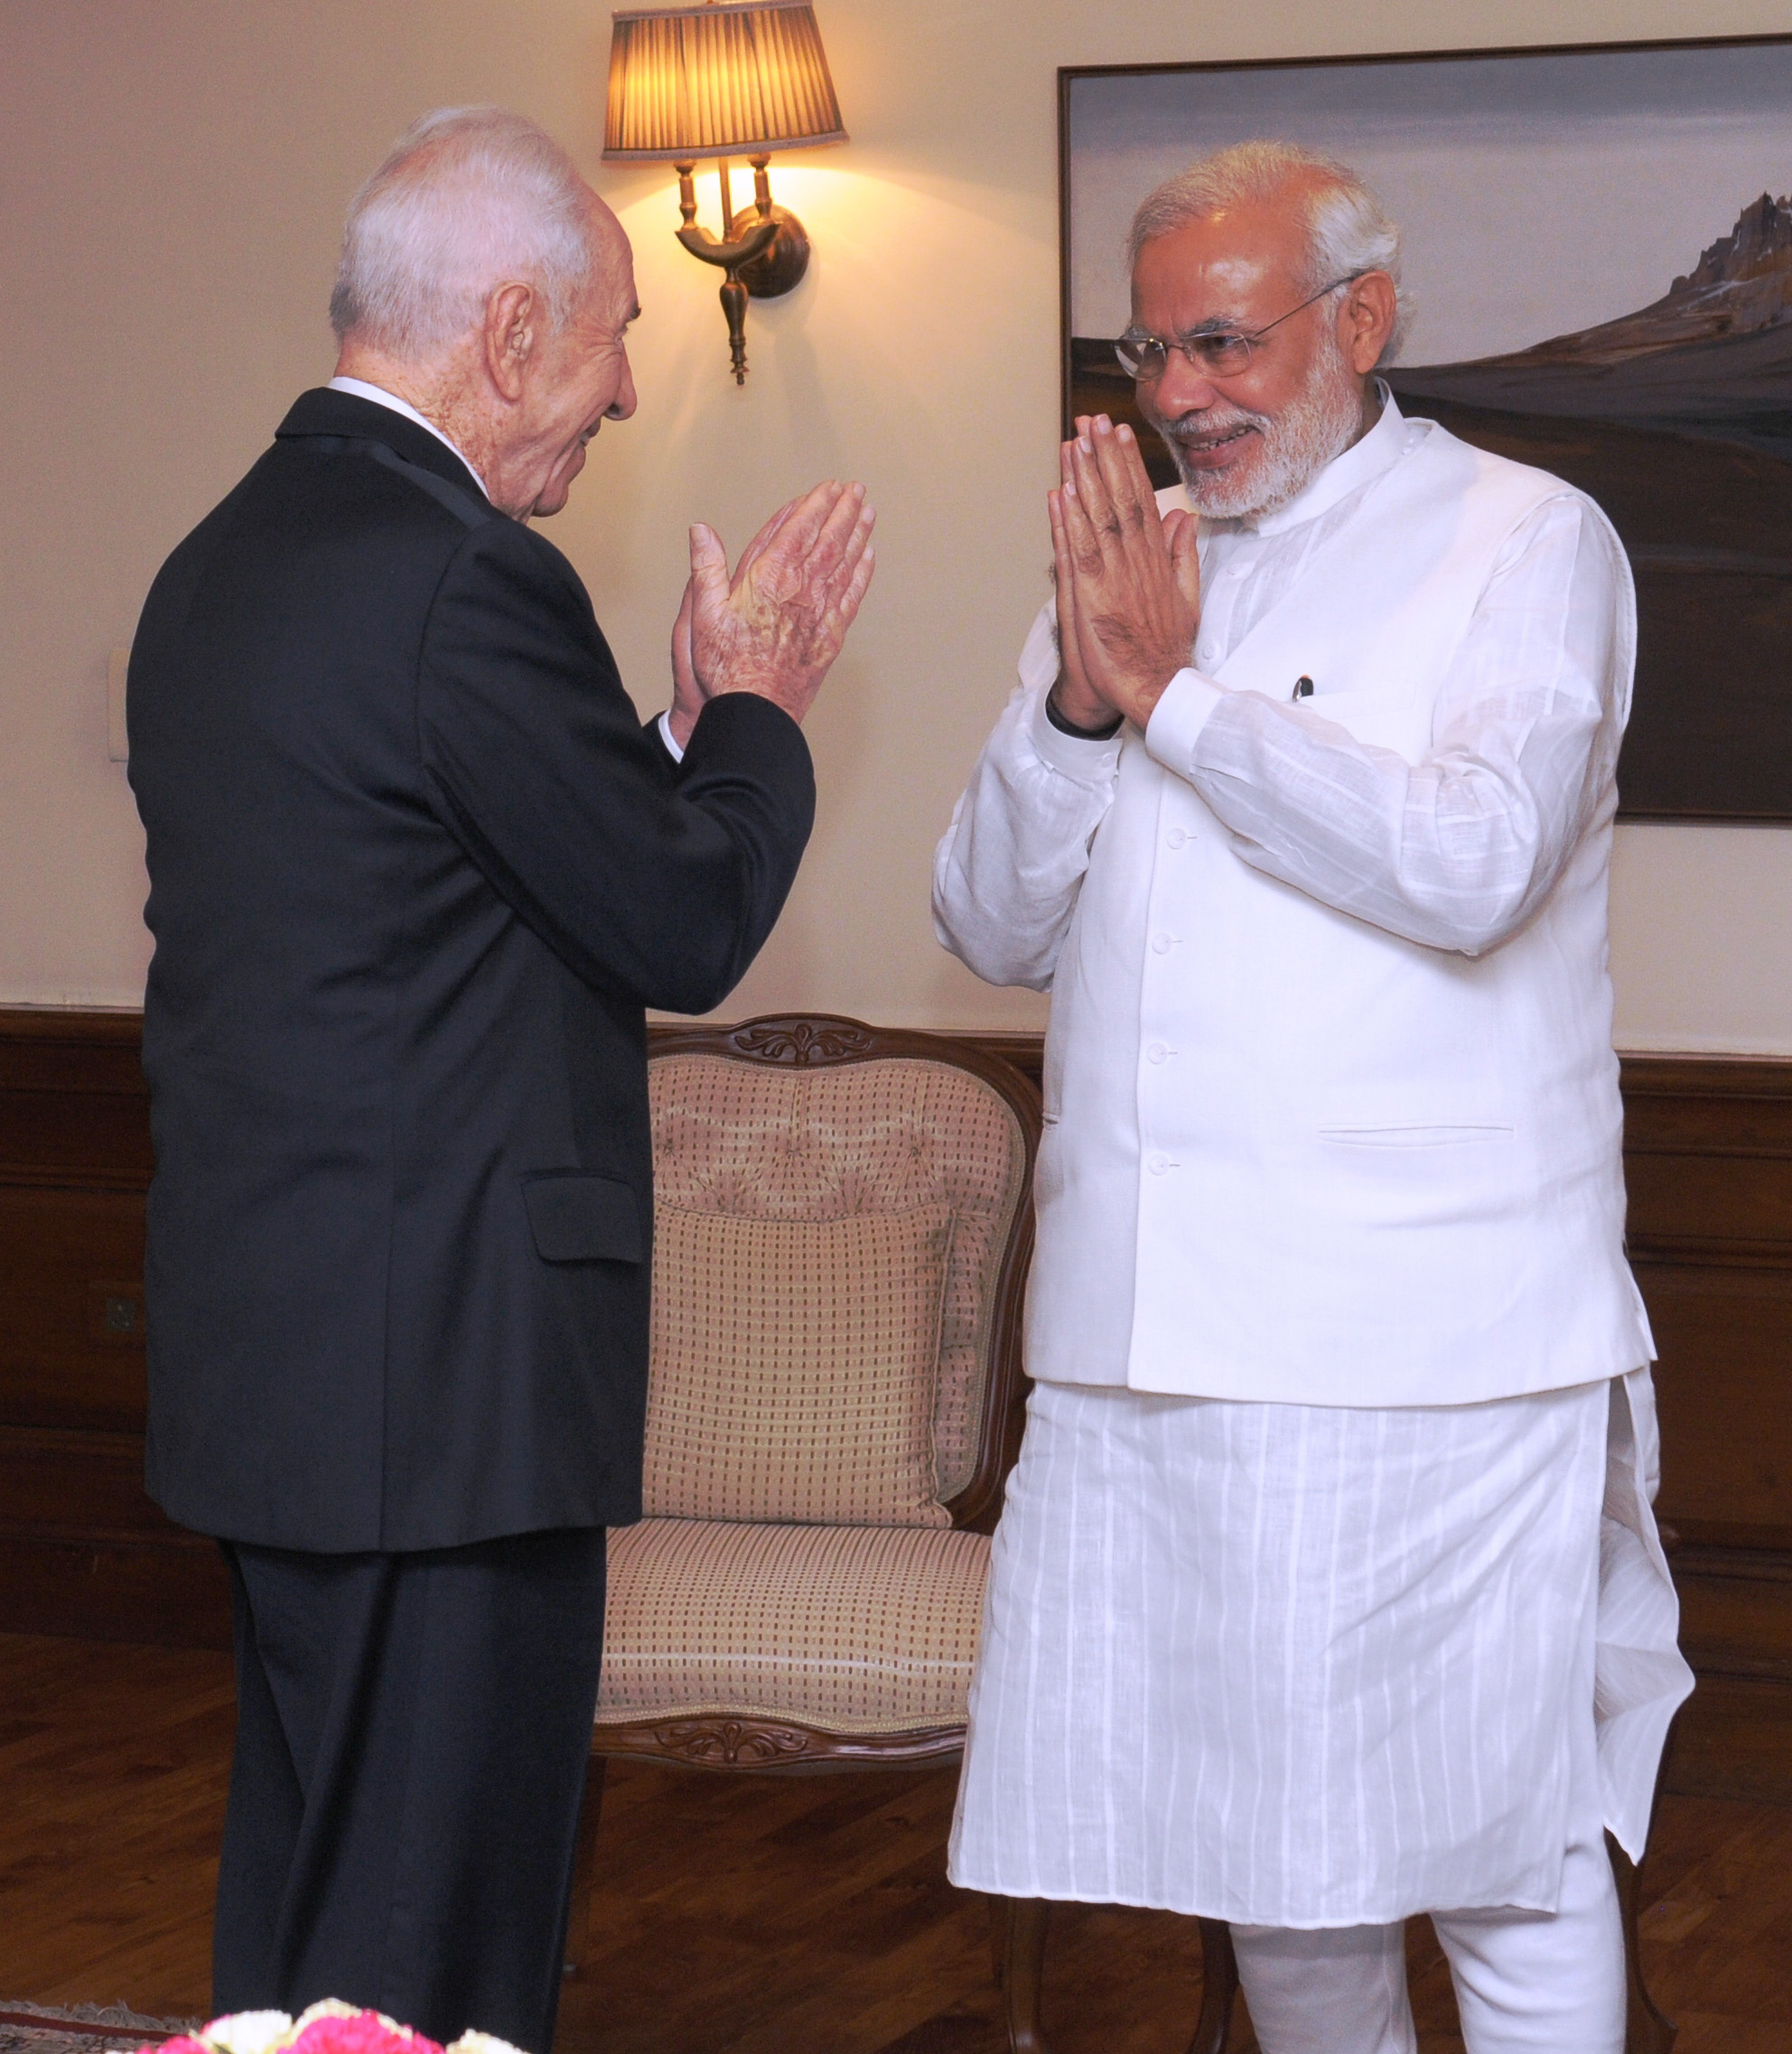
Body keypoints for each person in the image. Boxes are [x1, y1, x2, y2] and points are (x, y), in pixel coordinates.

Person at [127, 106, 873, 2054]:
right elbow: (681, 922)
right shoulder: (464, 574)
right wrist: (760, 717)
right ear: (518, 326)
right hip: (440, 1384)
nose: (628, 390)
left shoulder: (229, 560)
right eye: (619, 333)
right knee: (428, 1953)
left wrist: (669, 725)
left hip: (285, 1362)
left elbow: (443, 860)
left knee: (307, 1938)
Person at [933, 140, 1691, 2054]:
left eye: (1218, 341)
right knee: (1262, 1851)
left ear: (1355, 322)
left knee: (1497, 1850)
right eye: (1145, 353)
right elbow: (983, 920)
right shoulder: (1126, 580)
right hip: (1149, 1339)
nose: (1177, 395)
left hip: (1425, 1336)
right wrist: (1087, 704)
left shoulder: (1523, 540)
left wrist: (1178, 701)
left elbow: (1468, 865)